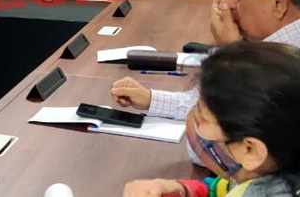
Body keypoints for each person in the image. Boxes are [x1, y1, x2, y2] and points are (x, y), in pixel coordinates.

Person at [111, 0, 300, 121]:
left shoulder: (288, 68)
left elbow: (221, 120)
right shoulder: (274, 47)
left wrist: (230, 52)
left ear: (278, 3)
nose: (227, 3)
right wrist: (150, 99)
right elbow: (201, 105)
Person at [123, 42, 300, 197]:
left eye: (203, 117)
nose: (194, 120)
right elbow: (223, 188)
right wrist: (181, 189)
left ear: (250, 150)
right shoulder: (262, 174)